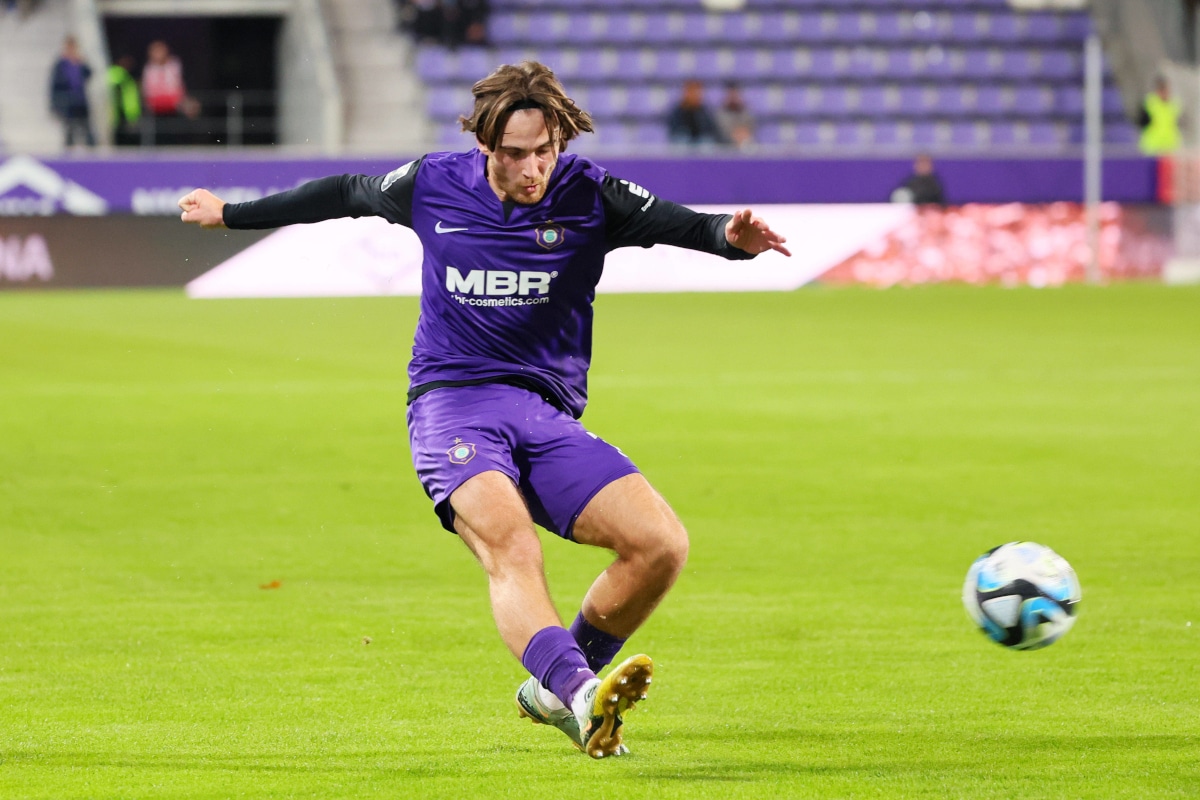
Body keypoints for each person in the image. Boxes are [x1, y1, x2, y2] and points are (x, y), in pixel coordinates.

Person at [178, 60, 789, 759]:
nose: (532, 170)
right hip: (452, 406)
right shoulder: (432, 182)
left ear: (560, 141)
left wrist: (730, 241)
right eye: (514, 155)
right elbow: (344, 192)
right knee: (512, 545)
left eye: (545, 152)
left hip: (543, 413)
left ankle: (559, 687)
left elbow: (693, 227)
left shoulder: (590, 195)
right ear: (485, 148)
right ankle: (584, 692)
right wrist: (231, 214)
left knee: (661, 547)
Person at [49, 36, 96, 148]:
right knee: (69, 130)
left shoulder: (79, 62)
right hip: (68, 102)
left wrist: (82, 62)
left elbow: (89, 74)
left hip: (80, 101)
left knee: (87, 129)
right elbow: (55, 85)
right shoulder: (61, 64)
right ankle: (69, 151)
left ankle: (92, 151)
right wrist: (55, 104)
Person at [667, 79, 723, 146]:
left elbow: (710, 129)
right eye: (691, 91)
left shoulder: (704, 110)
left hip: (700, 140)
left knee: (706, 142)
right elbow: (674, 129)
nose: (694, 94)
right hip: (684, 139)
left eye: (696, 92)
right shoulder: (678, 110)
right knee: (681, 141)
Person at [1138, 76, 1181, 156]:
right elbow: (1142, 122)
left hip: (1170, 145)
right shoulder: (1149, 103)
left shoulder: (1175, 104)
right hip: (1152, 146)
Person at [107, 54, 142, 146]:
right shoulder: (116, 73)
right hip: (117, 115)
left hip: (129, 115)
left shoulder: (129, 76)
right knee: (120, 142)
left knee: (130, 143)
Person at [715, 81, 755, 150]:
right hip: (726, 145)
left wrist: (742, 134)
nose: (733, 97)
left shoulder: (746, 112)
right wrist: (735, 135)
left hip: (745, 143)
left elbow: (750, 128)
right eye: (731, 94)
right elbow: (723, 131)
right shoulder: (720, 114)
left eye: (735, 94)